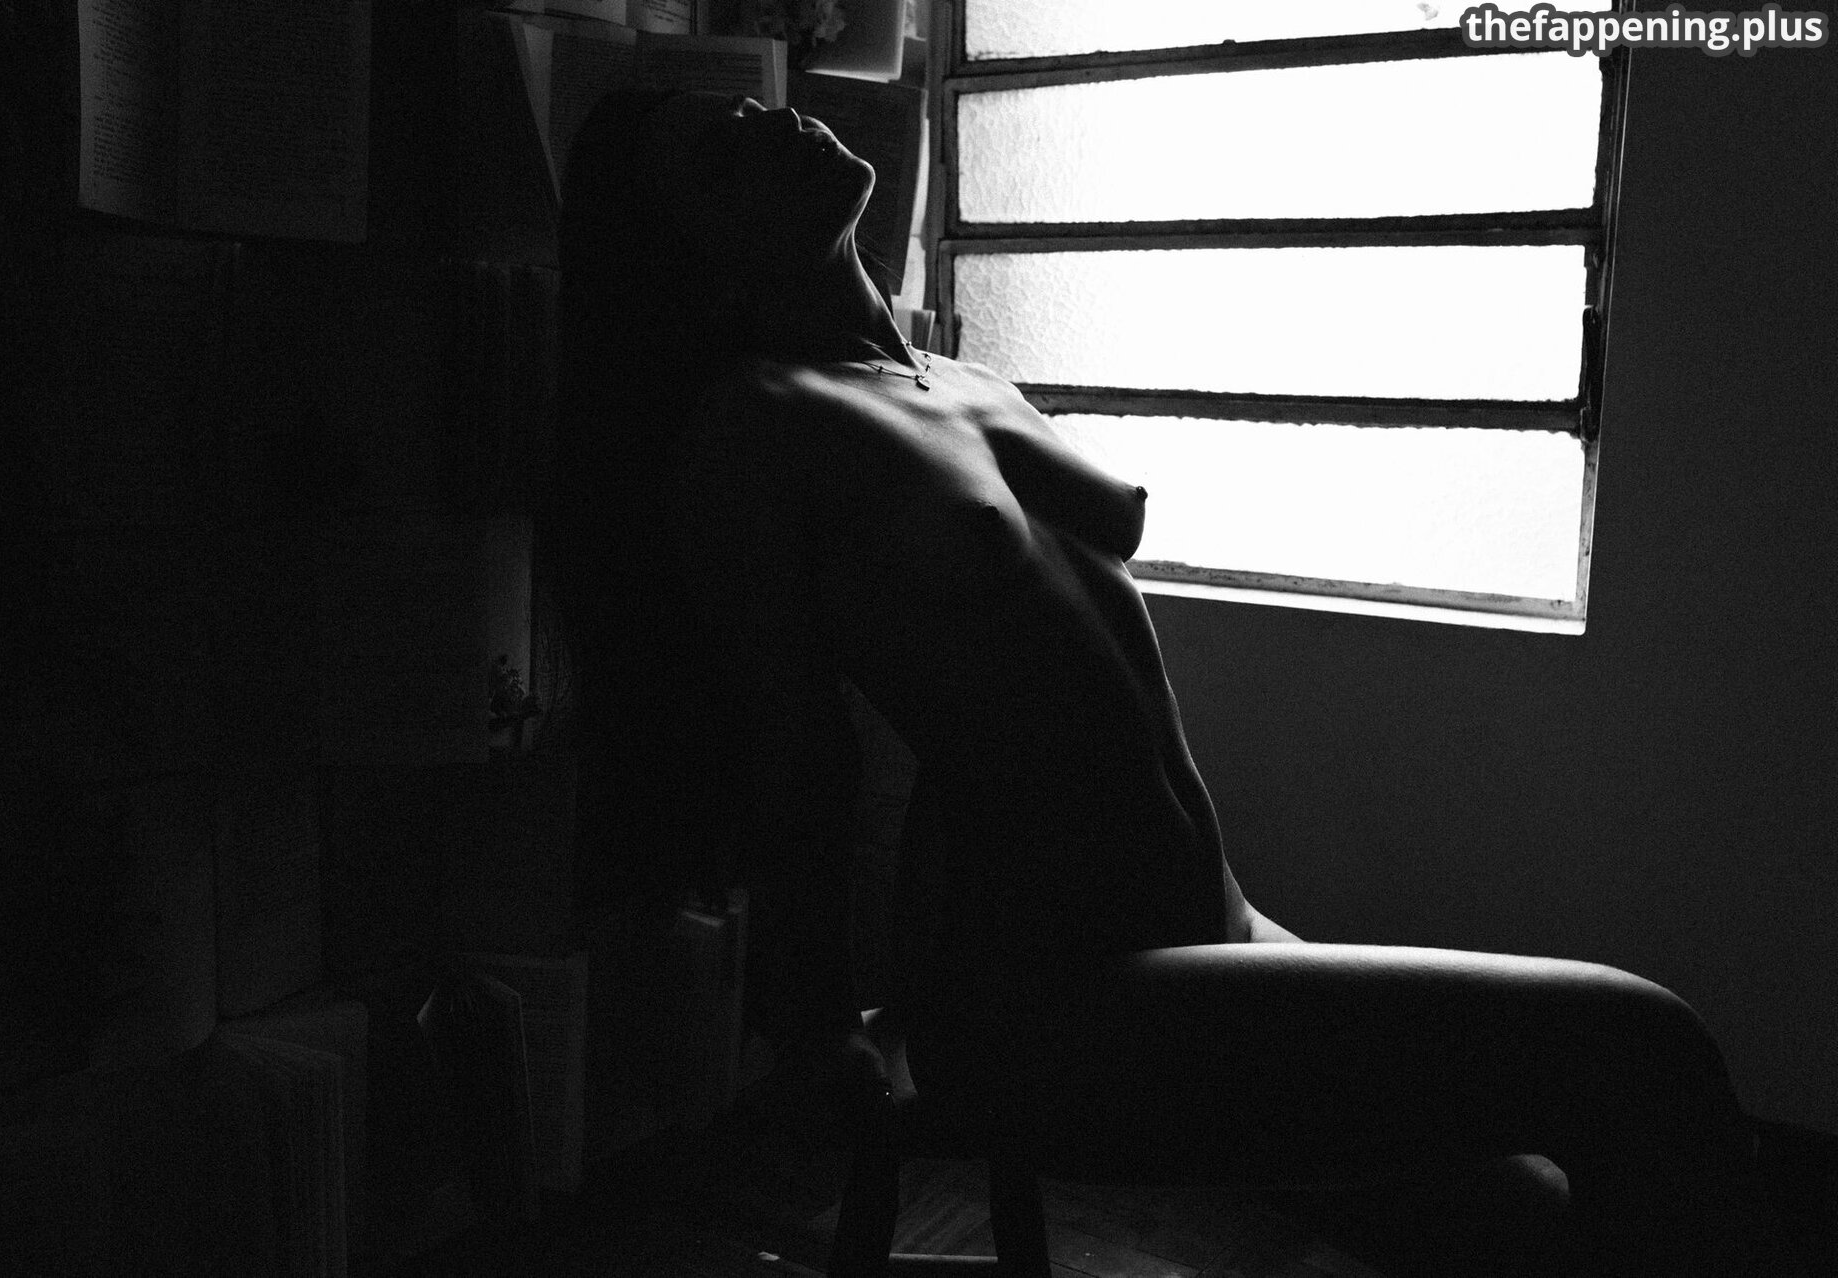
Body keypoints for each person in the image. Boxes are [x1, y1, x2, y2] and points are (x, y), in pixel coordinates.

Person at [548, 89, 1808, 1277]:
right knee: (1640, 1045)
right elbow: (794, 742)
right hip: (1046, 992)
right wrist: (820, 1019)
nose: (775, 121)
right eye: (722, 158)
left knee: (1527, 1216)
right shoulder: (757, 427)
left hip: (1212, 921)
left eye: (753, 109)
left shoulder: (956, 380)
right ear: (697, 265)